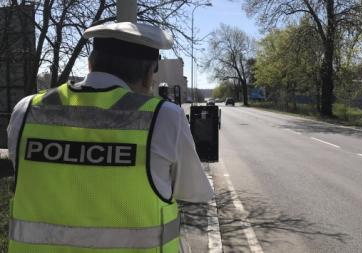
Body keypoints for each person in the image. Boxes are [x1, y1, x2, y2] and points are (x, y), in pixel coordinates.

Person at [7, 21, 213, 253]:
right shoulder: (163, 117)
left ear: (90, 63)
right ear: (148, 74)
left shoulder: (27, 110)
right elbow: (192, 191)